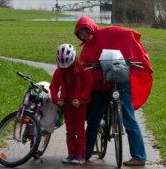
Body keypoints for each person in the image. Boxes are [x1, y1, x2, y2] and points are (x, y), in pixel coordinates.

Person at [74, 16, 153, 166]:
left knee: (128, 119)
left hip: (120, 79)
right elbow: (83, 66)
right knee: (93, 120)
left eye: (82, 33)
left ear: (88, 30)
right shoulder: (87, 47)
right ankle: (85, 153)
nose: (82, 37)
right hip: (103, 85)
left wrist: (130, 56)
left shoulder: (107, 33)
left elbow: (129, 35)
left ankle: (139, 156)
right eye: (79, 35)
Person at [50, 44, 94, 164]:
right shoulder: (59, 71)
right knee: (70, 130)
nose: (64, 68)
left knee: (79, 130)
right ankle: (71, 154)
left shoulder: (82, 67)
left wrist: (80, 99)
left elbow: (89, 84)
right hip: (67, 104)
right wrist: (56, 99)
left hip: (80, 104)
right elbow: (54, 86)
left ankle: (80, 155)